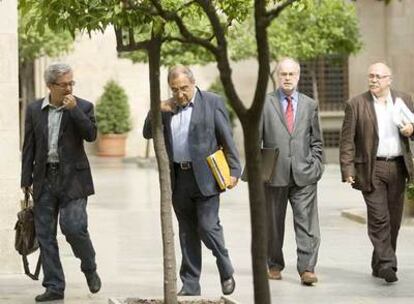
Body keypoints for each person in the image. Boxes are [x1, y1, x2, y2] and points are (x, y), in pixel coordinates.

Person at [143, 65, 241, 296]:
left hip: (206, 177)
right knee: (186, 233)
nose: (180, 94)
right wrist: (155, 110)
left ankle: (225, 267)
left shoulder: (212, 102)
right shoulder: (167, 107)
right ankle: (190, 285)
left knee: (208, 227)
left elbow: (226, 137)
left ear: (193, 83)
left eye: (184, 88)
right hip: (178, 179)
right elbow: (148, 133)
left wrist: (234, 170)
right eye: (175, 89)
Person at [21, 63, 101, 302]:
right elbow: (29, 146)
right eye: (63, 84)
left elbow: (91, 135)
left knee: (74, 228)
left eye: (71, 83)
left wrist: (75, 110)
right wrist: (26, 180)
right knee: (45, 235)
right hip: (44, 179)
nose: (68, 88)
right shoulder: (35, 109)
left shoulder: (84, 106)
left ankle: (89, 267)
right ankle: (54, 286)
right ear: (50, 86)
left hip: (74, 180)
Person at [339, 62, 414, 283]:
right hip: (371, 167)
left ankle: (378, 262)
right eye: (371, 76)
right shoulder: (356, 104)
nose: (374, 80)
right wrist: (347, 168)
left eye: (379, 77)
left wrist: (411, 130)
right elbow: (347, 141)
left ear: (389, 79)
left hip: (399, 167)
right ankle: (388, 264)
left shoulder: (404, 100)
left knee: (393, 220)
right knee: (379, 217)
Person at [261, 58, 324, 285]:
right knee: (273, 224)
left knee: (307, 223)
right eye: (283, 74)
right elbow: (255, 141)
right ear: (277, 76)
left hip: (304, 174)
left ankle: (307, 268)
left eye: (291, 74)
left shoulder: (310, 105)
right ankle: (274, 264)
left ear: (298, 76)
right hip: (273, 175)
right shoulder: (264, 104)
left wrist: (316, 165)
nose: (287, 78)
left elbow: (317, 141)